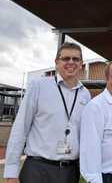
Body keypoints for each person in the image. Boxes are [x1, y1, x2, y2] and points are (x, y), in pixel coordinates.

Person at [3, 42, 91, 183]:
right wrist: (11, 172)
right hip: (38, 170)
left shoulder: (85, 94)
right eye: (66, 58)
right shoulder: (38, 86)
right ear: (56, 62)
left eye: (75, 59)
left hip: (70, 172)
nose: (71, 62)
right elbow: (20, 128)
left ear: (81, 64)